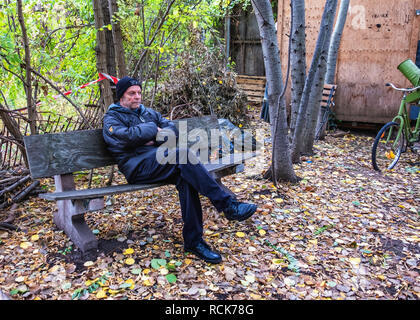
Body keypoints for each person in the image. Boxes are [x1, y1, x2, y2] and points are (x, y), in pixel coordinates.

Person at [103, 76, 257, 264]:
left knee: (186, 177)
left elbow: (172, 130)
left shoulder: (147, 112)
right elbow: (125, 137)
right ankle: (228, 206)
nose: (137, 97)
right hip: (137, 168)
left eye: (139, 93)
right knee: (182, 155)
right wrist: (153, 130)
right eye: (131, 93)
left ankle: (194, 241)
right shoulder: (113, 117)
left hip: (160, 162)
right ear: (121, 96)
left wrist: (153, 136)